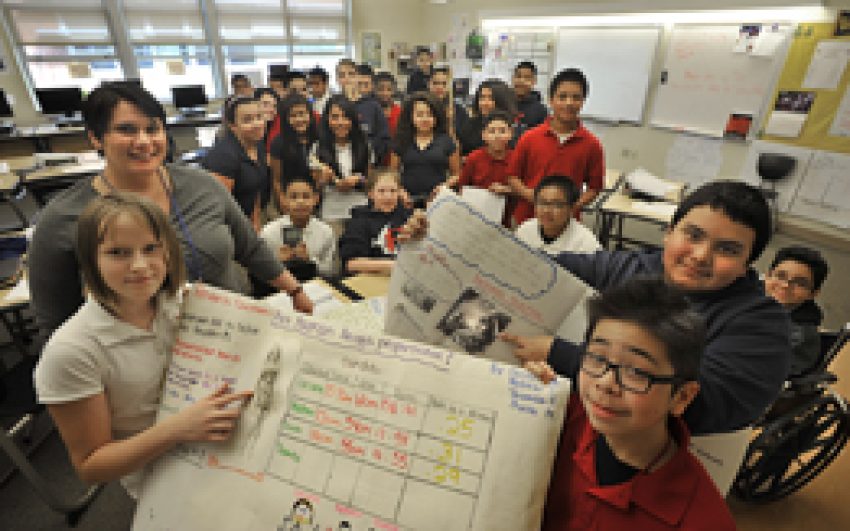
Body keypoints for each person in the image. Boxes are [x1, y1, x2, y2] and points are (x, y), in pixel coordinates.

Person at [501, 181, 791, 435]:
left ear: (747, 264)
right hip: (571, 423)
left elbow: (704, 404)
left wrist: (560, 355)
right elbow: (540, 268)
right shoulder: (632, 267)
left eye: (727, 249)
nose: (701, 256)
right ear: (668, 233)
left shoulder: (760, 325)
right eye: (693, 235)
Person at [29, 83, 311, 340]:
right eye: (127, 130)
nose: (143, 141)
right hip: (139, 356)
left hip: (229, 334)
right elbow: (56, 321)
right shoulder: (63, 217)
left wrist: (295, 291)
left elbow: (249, 248)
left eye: (152, 129)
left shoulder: (200, 185)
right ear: (95, 137)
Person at [34, 193, 254, 497]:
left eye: (151, 248)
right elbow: (91, 465)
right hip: (161, 478)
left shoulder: (188, 301)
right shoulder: (71, 351)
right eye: (118, 253)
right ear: (90, 261)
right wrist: (178, 428)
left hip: (227, 447)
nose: (139, 265)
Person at [541, 277, 736, 530]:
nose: (605, 382)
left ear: (682, 397)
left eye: (636, 371)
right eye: (596, 358)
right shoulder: (561, 419)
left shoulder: (702, 521)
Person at [506, 68, 604, 226]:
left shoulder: (592, 144)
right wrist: (533, 196)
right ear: (551, 100)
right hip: (527, 219)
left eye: (576, 97)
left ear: (583, 101)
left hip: (567, 224)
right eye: (562, 97)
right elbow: (512, 177)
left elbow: (595, 188)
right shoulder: (529, 138)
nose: (569, 103)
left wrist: (571, 206)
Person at [201, 96, 270, 229]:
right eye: (247, 120)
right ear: (233, 126)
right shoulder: (223, 157)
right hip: (227, 228)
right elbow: (219, 209)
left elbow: (255, 191)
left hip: (248, 221)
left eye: (259, 117)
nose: (257, 124)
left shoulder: (258, 144)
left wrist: (256, 227)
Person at [765, 245, 829, 376]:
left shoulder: (802, 337)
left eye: (800, 283)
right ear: (767, 276)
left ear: (813, 293)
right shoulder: (745, 303)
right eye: (780, 276)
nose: (785, 285)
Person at [390, 91, 460, 208]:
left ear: (437, 117)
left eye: (430, 114)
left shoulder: (447, 141)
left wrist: (444, 187)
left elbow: (457, 174)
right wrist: (400, 192)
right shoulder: (401, 141)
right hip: (407, 201)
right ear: (411, 116)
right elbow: (392, 174)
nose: (425, 119)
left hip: (438, 201)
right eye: (419, 114)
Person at [338, 171, 412, 275]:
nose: (388, 196)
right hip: (369, 278)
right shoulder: (359, 220)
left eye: (393, 191)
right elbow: (351, 264)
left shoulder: (407, 217)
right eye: (381, 191)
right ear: (371, 194)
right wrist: (393, 265)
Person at [311, 94, 371, 221]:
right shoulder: (317, 148)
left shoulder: (365, 145)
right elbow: (314, 188)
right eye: (335, 117)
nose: (340, 123)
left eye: (345, 117)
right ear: (327, 119)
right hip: (331, 213)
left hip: (361, 211)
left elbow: (371, 182)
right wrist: (323, 180)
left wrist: (358, 179)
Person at [261, 176, 335, 279]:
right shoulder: (268, 232)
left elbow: (330, 271)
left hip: (315, 285)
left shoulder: (326, 231)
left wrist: (310, 260)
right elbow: (260, 273)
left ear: (316, 199)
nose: (300, 202)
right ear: (284, 200)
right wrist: (277, 262)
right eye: (293, 197)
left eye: (306, 197)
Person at [515, 175, 601, 255]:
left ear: (572, 208)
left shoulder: (587, 246)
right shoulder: (524, 231)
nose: (546, 210)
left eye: (556, 205)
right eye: (542, 202)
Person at [270, 93, 318, 212]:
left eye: (302, 114)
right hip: (290, 201)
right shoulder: (278, 142)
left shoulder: (319, 137)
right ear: (286, 119)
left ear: (310, 115)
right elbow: (277, 179)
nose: (299, 119)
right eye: (293, 115)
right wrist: (282, 201)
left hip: (317, 199)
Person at [457, 79, 518, 156]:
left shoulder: (512, 127)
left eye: (490, 98)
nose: (484, 103)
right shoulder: (469, 125)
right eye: (482, 98)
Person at [353, 63, 391, 164]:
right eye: (359, 84)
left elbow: (384, 138)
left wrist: (370, 151)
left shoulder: (375, 106)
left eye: (366, 84)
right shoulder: (344, 103)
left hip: (370, 160)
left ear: (372, 86)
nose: (362, 88)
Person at [428, 66, 467, 138]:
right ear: (429, 85)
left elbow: (464, 139)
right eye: (435, 83)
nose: (439, 87)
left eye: (444, 83)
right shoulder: (422, 108)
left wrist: (450, 121)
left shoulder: (458, 110)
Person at [512, 61, 548, 128]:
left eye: (527, 78)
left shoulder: (541, 110)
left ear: (534, 81)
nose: (521, 81)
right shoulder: (504, 105)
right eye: (518, 76)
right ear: (513, 79)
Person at [375, 71, 401, 138]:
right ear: (374, 90)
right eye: (380, 89)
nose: (385, 93)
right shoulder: (370, 111)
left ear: (394, 91)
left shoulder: (400, 112)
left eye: (389, 89)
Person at [254, 87, 281, 152]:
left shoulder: (280, 124)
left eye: (274, 106)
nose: (271, 109)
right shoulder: (248, 128)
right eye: (265, 104)